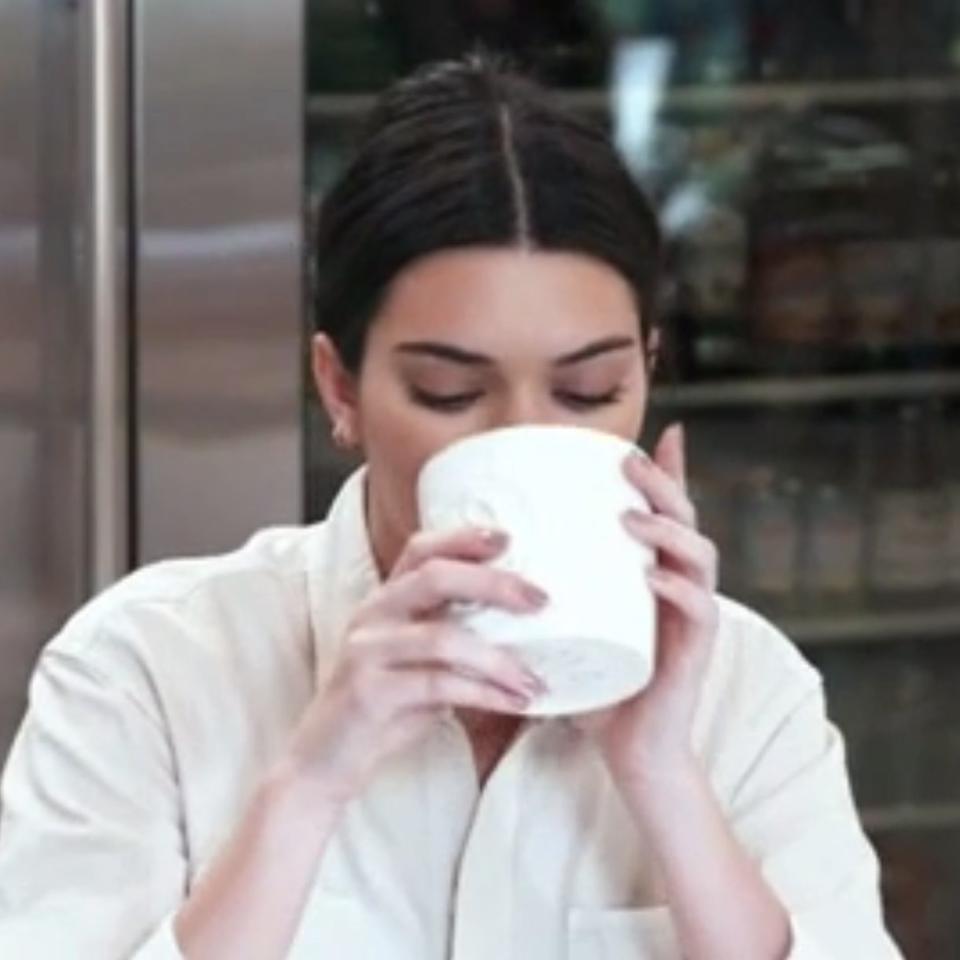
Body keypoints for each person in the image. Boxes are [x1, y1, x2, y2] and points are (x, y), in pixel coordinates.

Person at [0, 53, 902, 960]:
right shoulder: (147, 670)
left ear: (647, 374)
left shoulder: (746, 689)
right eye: (446, 392)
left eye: (589, 392)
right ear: (339, 387)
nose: (525, 436)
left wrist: (662, 773)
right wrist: (312, 781)